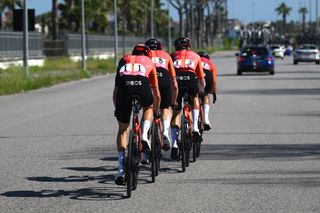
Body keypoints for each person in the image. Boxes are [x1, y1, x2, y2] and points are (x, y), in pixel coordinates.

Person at [113, 44, 160, 185]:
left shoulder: (124, 59)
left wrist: (119, 110)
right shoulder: (149, 62)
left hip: (124, 89)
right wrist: (155, 109)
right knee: (148, 108)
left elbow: (115, 92)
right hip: (142, 86)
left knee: (123, 130)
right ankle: (144, 135)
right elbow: (156, 92)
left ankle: (120, 171)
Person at [170, 37, 206, 160]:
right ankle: (195, 126)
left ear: (176, 47)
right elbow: (201, 78)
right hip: (190, 79)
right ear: (189, 46)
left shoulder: (172, 55)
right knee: (195, 97)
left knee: (175, 112)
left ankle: (174, 144)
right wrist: (202, 90)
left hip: (177, 80)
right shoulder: (196, 56)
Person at [144, 38, 178, 151]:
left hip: (149, 77)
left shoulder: (145, 56)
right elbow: (174, 80)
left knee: (147, 108)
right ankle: (166, 130)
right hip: (164, 76)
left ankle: (144, 141)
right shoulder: (166, 55)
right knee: (165, 107)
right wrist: (173, 101)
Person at [197, 51, 217, 130]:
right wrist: (214, 94)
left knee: (193, 96)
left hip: (196, 76)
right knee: (205, 95)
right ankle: (206, 119)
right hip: (207, 75)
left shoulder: (195, 59)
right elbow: (214, 81)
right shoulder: (210, 63)